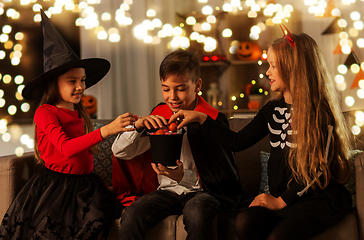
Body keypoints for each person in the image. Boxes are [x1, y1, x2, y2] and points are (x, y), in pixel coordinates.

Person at [169, 29, 353, 240]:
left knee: (278, 236)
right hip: (280, 195)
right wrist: (201, 118)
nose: (267, 72)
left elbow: (318, 169)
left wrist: (280, 201)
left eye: (273, 66)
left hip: (316, 198)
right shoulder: (271, 110)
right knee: (245, 222)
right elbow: (237, 141)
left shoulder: (320, 113)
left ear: (294, 69)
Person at [0, 10, 136, 239]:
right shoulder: (45, 113)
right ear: (55, 83)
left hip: (86, 185)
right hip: (57, 187)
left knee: (98, 222)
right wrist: (107, 129)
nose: (80, 86)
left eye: (82, 80)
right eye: (72, 81)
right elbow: (66, 148)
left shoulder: (78, 110)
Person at [111, 49, 244, 240]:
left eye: (180, 88)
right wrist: (138, 126)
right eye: (166, 89)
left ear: (197, 84)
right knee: (132, 214)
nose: (172, 96)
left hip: (204, 192)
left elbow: (222, 174)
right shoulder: (159, 115)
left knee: (197, 213)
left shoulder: (212, 121)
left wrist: (183, 177)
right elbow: (120, 152)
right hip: (167, 192)